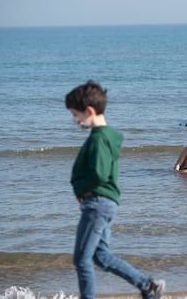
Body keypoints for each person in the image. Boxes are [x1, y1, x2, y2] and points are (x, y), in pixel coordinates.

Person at [65, 80, 165, 299]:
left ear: (89, 111)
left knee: (81, 260)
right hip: (104, 203)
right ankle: (148, 287)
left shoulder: (99, 138)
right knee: (101, 257)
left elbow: (99, 174)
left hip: (96, 204)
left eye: (75, 115)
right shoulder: (108, 135)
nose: (75, 120)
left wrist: (80, 189)